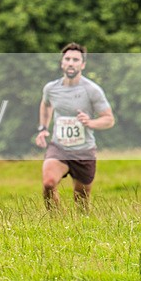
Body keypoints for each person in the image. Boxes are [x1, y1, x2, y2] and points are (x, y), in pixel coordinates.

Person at [35, 43, 114, 212]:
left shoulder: (92, 90)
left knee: (81, 202)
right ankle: (56, 224)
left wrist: (90, 123)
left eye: (76, 60)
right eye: (68, 59)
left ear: (82, 65)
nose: (71, 63)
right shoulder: (51, 88)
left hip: (84, 151)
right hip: (59, 147)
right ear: (62, 63)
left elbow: (109, 119)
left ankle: (79, 227)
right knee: (48, 183)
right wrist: (43, 128)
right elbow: (46, 105)